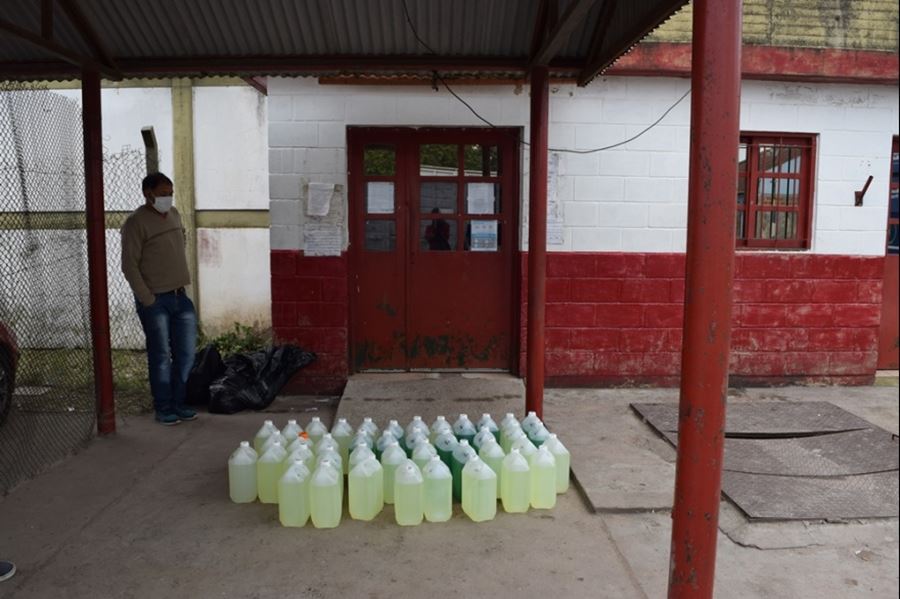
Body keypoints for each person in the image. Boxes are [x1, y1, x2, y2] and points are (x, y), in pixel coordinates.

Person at [121, 172, 198, 426]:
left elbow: (181, 241)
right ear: (148, 193)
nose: (168, 198)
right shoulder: (136, 222)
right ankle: (163, 407)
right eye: (163, 194)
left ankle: (179, 403)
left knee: (186, 354)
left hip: (180, 296)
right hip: (156, 301)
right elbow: (129, 265)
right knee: (161, 355)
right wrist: (147, 299)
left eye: (170, 193)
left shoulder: (174, 215)